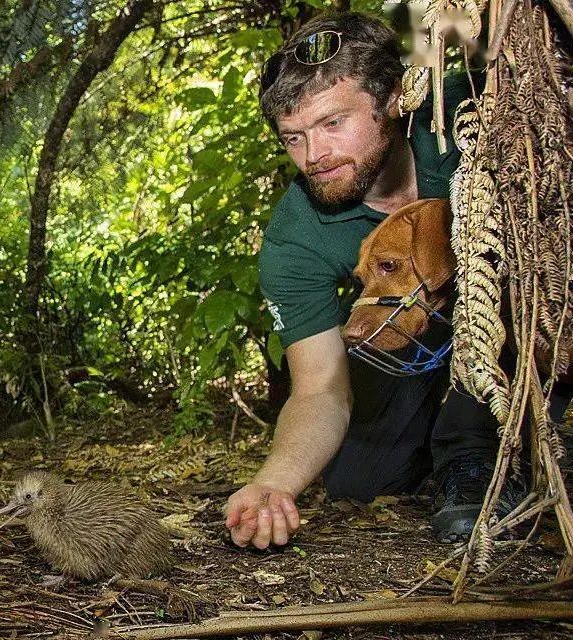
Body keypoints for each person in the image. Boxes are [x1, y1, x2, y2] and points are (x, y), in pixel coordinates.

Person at [224, 10, 523, 549]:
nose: (314, 157)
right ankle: (462, 437)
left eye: (332, 124)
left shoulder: (482, 111)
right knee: (357, 480)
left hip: (519, 306)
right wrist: (274, 481)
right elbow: (318, 387)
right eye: (293, 137)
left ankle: (481, 448)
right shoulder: (298, 236)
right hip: (416, 337)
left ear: (394, 98)